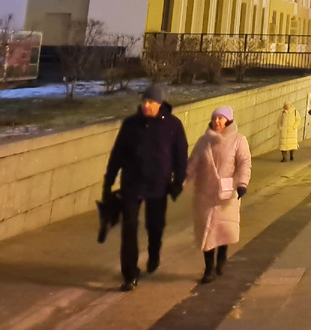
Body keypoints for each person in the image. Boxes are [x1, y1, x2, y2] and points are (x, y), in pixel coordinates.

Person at [103, 84, 188, 291]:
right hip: (132, 184)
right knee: (129, 229)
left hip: (158, 185)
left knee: (155, 225)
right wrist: (109, 180)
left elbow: (180, 155)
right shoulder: (131, 124)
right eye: (144, 101)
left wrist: (178, 181)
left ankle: (154, 253)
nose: (146, 105)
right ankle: (130, 274)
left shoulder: (173, 125)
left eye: (151, 102)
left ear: (160, 103)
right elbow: (118, 153)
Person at [186, 106, 252, 284]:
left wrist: (242, 183)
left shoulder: (239, 140)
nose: (217, 121)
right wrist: (180, 181)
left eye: (221, 118)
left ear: (228, 120)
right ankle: (209, 269)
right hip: (205, 194)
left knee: (222, 229)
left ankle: (222, 255)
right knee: (207, 232)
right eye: (214, 118)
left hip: (226, 193)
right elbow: (192, 164)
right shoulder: (203, 141)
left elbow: (244, 163)